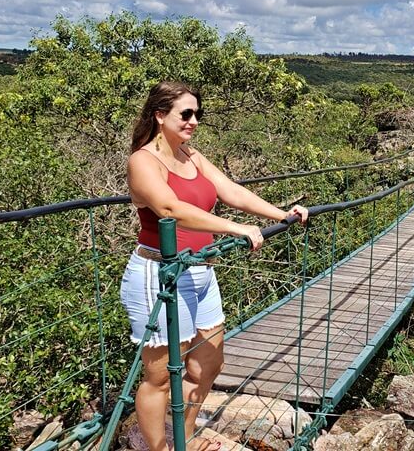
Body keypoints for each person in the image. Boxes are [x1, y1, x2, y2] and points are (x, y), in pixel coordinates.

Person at [120, 81, 308, 451]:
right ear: (159, 116)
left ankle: (184, 437)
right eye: (185, 114)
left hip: (201, 271)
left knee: (208, 363)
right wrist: (235, 228)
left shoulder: (193, 156)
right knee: (158, 376)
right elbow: (170, 208)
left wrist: (281, 213)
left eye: (197, 114)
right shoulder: (142, 161)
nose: (193, 121)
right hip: (159, 274)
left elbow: (231, 191)